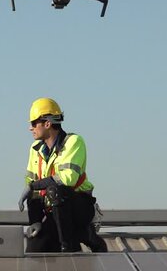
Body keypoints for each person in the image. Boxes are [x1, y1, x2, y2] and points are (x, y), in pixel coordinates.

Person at [18, 97, 108, 252]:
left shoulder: (73, 141)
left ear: (47, 123)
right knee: (36, 248)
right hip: (55, 211)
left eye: (33, 123)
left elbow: (68, 179)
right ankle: (80, 234)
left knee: (56, 190)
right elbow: (34, 191)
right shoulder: (35, 149)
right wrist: (36, 221)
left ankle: (70, 247)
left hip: (79, 207)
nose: (30, 128)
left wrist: (33, 186)